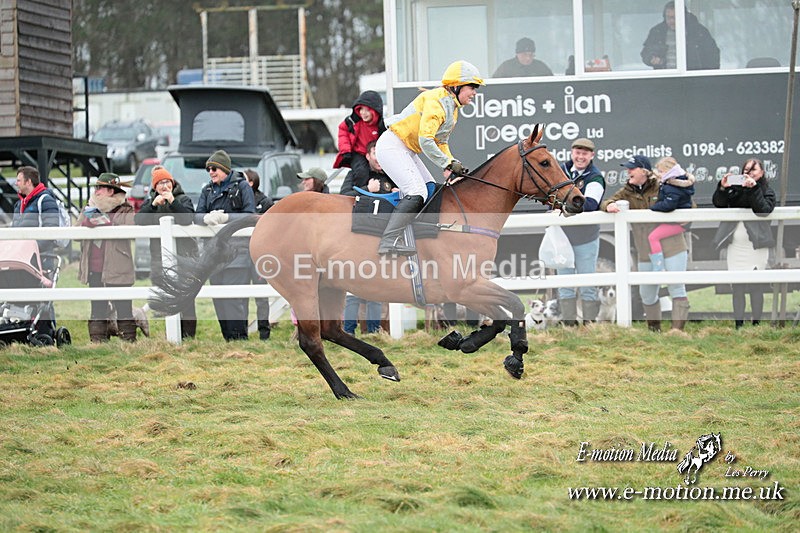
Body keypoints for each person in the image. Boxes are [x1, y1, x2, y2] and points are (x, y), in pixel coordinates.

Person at [375, 59, 484, 255]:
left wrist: (451, 164)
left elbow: (440, 142)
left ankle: (416, 235)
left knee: (429, 188)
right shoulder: (437, 102)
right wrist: (447, 162)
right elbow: (426, 141)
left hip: (405, 148)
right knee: (417, 193)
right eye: (472, 87)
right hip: (392, 146)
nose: (475, 93)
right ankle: (388, 241)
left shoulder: (453, 107)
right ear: (457, 86)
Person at [601, 155, 690, 332]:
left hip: (672, 246)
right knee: (646, 294)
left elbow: (688, 205)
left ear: (644, 170)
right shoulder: (627, 191)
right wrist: (609, 206)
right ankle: (654, 331)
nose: (628, 172)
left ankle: (677, 333)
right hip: (645, 250)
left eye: (631, 168)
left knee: (676, 287)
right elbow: (606, 202)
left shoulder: (664, 184)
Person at [195, 150, 256, 341]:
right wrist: (204, 218)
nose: (211, 172)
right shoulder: (206, 190)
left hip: (237, 251)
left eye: (214, 169)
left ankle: (239, 339)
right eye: (209, 170)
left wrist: (226, 218)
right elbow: (197, 215)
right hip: (214, 253)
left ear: (224, 169)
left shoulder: (242, 186)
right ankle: (227, 339)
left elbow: (250, 214)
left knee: (234, 298)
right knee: (219, 298)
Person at [134, 166, 198, 339]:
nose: (164, 186)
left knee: (186, 299)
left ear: (172, 183)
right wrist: (153, 206)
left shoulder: (183, 199)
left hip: (184, 257)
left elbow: (187, 219)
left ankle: (188, 336)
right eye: (160, 183)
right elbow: (139, 220)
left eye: (166, 182)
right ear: (155, 187)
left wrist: (173, 202)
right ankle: (172, 334)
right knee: (167, 297)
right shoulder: (152, 203)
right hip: (161, 257)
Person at [712, 158, 776, 329]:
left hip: (756, 247)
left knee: (756, 287)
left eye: (753, 170)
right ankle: (738, 325)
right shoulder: (736, 190)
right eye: (746, 170)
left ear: (761, 173)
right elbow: (719, 203)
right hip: (736, 247)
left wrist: (753, 188)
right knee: (737, 287)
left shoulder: (767, 191)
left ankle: (756, 324)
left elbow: (762, 210)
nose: (749, 173)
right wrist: (722, 187)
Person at [342, 141, 397, 335]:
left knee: (375, 288)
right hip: (357, 238)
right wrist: (367, 189)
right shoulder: (356, 175)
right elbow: (343, 196)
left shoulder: (394, 175)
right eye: (375, 152)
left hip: (382, 240)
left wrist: (401, 194)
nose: (379, 157)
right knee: (353, 288)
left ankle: (374, 334)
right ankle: (347, 332)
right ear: (367, 156)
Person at [77, 173, 137, 342]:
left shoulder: (125, 208)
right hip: (94, 267)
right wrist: (87, 222)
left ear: (111, 191)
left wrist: (106, 223)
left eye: (100, 188)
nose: (96, 191)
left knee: (124, 308)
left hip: (118, 266)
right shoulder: (89, 207)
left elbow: (131, 230)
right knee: (97, 308)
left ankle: (129, 343)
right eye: (96, 188)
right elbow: (75, 232)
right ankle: (98, 344)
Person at [556, 138, 605, 325]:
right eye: (577, 152)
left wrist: (562, 206)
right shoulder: (560, 170)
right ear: (572, 153)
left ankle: (589, 326)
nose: (580, 156)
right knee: (565, 286)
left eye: (585, 153)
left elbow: (591, 204)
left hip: (586, 238)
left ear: (591, 155)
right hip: (562, 239)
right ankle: (568, 326)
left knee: (587, 285)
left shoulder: (595, 176)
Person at [11, 166, 61, 338]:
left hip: (41, 259)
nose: (16, 183)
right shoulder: (19, 204)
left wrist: (30, 248)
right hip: (21, 259)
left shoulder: (45, 200)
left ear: (28, 181)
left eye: (18, 180)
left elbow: (51, 230)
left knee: (42, 298)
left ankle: (45, 332)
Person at [647, 156, 695, 272]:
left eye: (662, 171)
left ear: (670, 171)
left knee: (653, 237)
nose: (659, 174)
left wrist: (653, 208)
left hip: (677, 223)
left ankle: (659, 267)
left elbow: (669, 205)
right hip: (679, 222)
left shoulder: (672, 186)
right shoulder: (677, 183)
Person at [641, 1, 719, 70]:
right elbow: (646, 52)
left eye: (674, 17)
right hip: (664, 80)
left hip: (693, 80)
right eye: (668, 17)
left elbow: (713, 55)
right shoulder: (657, 32)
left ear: (683, 16)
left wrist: (707, 78)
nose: (672, 21)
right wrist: (651, 58)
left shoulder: (699, 32)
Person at [333, 90, 386, 190]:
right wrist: (345, 150)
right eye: (361, 109)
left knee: (387, 171)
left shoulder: (382, 126)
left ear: (374, 111)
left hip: (376, 155)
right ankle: (361, 193)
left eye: (367, 110)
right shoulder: (352, 122)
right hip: (359, 154)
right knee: (361, 172)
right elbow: (343, 132)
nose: (363, 113)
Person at [245, 169, 273, 340]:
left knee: (261, 296)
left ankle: (264, 331)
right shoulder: (239, 200)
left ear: (252, 182)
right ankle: (242, 330)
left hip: (260, 254)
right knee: (242, 295)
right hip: (242, 251)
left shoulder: (265, 202)